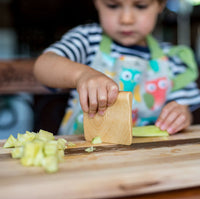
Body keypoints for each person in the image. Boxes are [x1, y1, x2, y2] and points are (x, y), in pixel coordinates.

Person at [34, 0, 200, 136]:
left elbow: (184, 109)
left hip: (145, 160)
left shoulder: (172, 60)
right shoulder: (87, 40)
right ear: (97, 3)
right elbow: (44, 65)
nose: (126, 19)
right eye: (113, 6)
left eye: (140, 6)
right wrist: (82, 75)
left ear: (160, 5)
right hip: (79, 154)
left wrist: (181, 115)